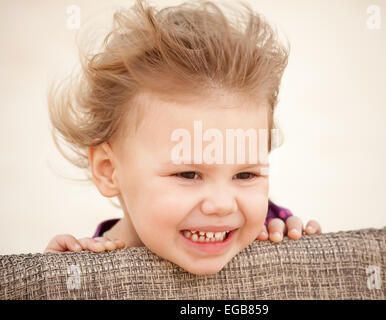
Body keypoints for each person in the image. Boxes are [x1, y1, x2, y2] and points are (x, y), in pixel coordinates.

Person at [44, 0, 321, 275]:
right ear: (109, 170)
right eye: (189, 174)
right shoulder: (93, 272)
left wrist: (288, 237)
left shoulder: (267, 228)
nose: (222, 204)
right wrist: (58, 280)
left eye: (245, 175)